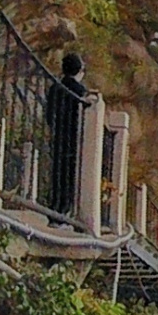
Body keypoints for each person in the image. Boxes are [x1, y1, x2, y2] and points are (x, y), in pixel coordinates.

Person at [45, 52, 86, 215]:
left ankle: (53, 206)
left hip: (59, 135)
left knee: (57, 172)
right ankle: (64, 210)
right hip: (73, 138)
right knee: (69, 175)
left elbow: (50, 113)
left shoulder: (56, 87)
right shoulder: (80, 91)